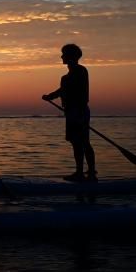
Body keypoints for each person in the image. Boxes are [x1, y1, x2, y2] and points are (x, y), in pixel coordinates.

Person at [42, 44, 97, 182]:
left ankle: (90, 173)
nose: (61, 57)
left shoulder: (80, 71)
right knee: (76, 142)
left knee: (84, 142)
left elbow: (79, 94)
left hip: (79, 111)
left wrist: (77, 112)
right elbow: (62, 91)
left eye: (64, 54)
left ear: (71, 56)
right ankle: (79, 172)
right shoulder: (66, 77)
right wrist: (50, 96)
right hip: (72, 112)